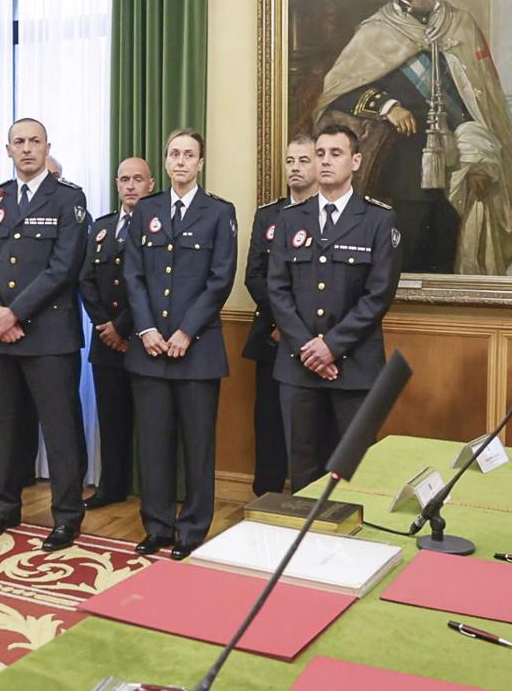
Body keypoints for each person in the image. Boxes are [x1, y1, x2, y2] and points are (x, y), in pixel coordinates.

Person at [315, 0, 512, 275]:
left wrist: (479, 157)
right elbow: (338, 91)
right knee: (407, 260)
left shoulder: (460, 25)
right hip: (403, 171)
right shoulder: (377, 31)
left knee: (452, 256)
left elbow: (480, 101)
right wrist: (387, 106)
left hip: (459, 167)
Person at [0, 118, 89, 551]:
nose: (26, 149)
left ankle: (66, 516)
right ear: (7, 149)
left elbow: (64, 267)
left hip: (49, 336)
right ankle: (5, 507)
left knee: (59, 431)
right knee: (5, 428)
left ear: (47, 147)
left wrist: (15, 313)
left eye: (34, 141)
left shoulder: (68, 198)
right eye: (18, 142)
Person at [268, 125, 402, 490]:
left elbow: (378, 295)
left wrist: (332, 346)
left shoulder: (377, 220)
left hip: (356, 367)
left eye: (336, 153)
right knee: (303, 468)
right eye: (321, 154)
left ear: (356, 161)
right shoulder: (290, 219)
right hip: (298, 367)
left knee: (356, 471)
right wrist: (307, 348)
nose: (326, 161)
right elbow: (277, 289)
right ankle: (307, 545)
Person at [124, 129, 237, 560]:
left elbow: (220, 279)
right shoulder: (147, 210)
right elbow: (132, 273)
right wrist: (147, 328)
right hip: (149, 348)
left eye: (189, 155)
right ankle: (156, 525)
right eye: (174, 154)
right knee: (153, 444)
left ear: (201, 163)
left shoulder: (218, 212)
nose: (181, 161)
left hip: (198, 350)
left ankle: (191, 528)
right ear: (166, 161)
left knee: (197, 446)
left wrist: (186, 330)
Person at [242, 135, 318, 495]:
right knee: (269, 420)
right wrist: (279, 323)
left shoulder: (327, 214)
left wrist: (297, 330)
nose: (295, 168)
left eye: (303, 160)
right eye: (290, 161)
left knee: (313, 427)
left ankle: (312, 498)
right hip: (270, 336)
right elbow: (254, 275)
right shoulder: (268, 215)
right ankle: (266, 495)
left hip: (315, 340)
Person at [78, 156, 155, 510]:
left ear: (151, 184)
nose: (130, 185)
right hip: (105, 340)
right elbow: (86, 280)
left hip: (143, 339)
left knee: (150, 421)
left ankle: (152, 492)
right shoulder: (103, 227)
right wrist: (104, 327)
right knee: (110, 419)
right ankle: (112, 485)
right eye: (124, 179)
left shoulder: (159, 226)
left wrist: (122, 327)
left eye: (138, 179)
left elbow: (152, 285)